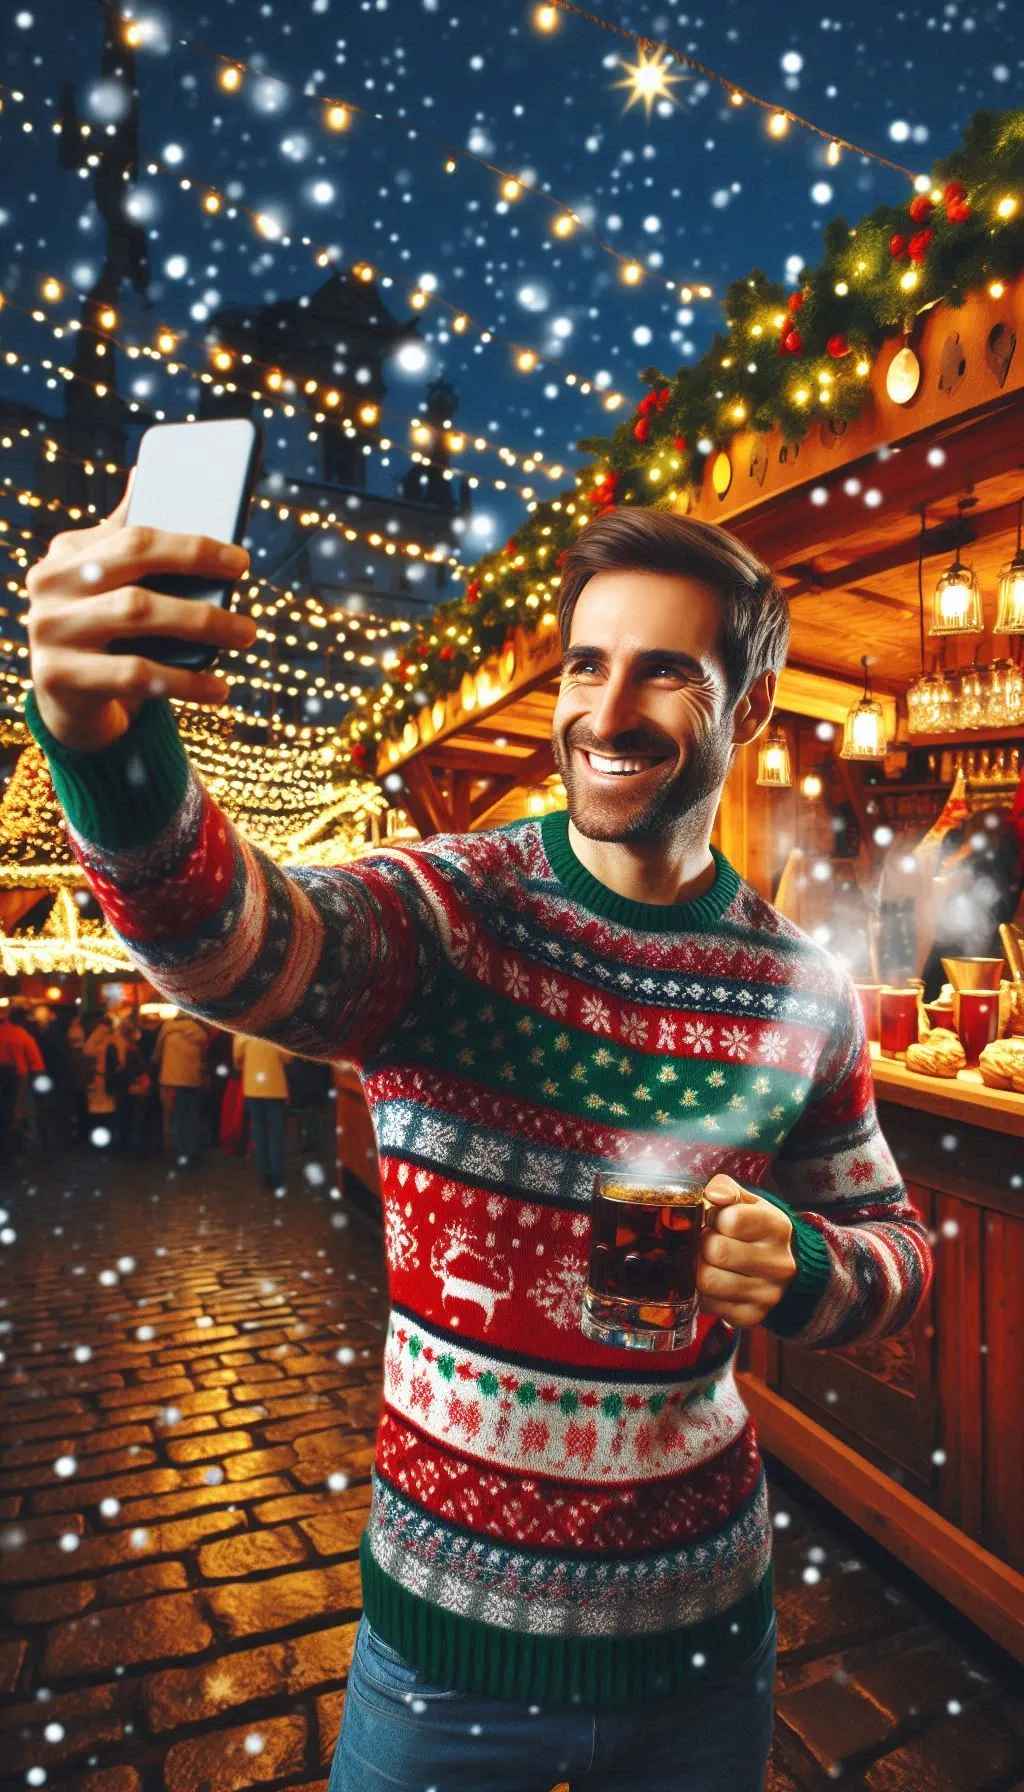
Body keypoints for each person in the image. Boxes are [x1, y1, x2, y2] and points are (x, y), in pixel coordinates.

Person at [23, 494, 934, 1792]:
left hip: (706, 1645)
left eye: (665, 671)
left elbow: (898, 1246)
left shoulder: (807, 992)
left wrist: (810, 1274)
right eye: (586, 664)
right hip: (445, 1659)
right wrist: (97, 737)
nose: (607, 711)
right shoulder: (454, 910)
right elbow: (228, 940)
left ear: (751, 704)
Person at [232, 1031, 292, 1189]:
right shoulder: (276, 1033)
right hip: (275, 1089)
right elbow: (288, 1057)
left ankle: (263, 1173)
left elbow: (237, 1059)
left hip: (253, 1089)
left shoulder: (242, 1033)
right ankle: (277, 1174)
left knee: (259, 1131)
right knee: (277, 1133)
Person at [152, 1007, 208, 1165]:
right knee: (192, 1115)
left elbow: (157, 1053)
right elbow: (204, 1053)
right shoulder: (197, 1032)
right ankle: (192, 1150)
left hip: (170, 1080)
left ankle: (179, 1149)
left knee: (177, 1115)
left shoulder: (167, 1029)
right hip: (191, 1080)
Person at [0, 1002, 45, 1160]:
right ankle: (21, 1144)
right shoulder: (23, 1035)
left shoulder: (3, 1033)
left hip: (4, 1074)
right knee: (21, 1110)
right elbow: (36, 1062)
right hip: (19, 1076)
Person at [80, 1009, 120, 1147]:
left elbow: (87, 1051)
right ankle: (108, 1142)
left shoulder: (96, 1039)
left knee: (99, 1114)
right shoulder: (113, 1039)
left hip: (99, 1080)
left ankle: (98, 1142)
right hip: (107, 1080)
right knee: (108, 1113)